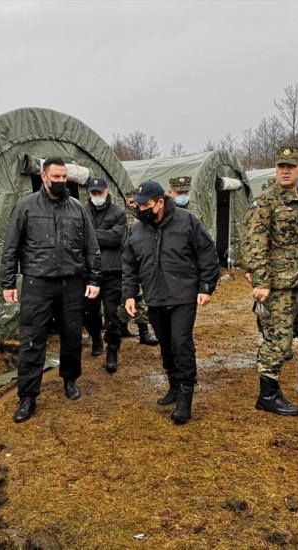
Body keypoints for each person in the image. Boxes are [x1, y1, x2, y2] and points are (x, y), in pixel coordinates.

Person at [1, 157, 100, 423]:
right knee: (32, 339)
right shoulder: (26, 207)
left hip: (71, 282)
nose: (60, 182)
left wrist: (94, 279)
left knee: (71, 335)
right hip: (37, 283)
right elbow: (11, 247)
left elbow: (91, 247)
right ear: (43, 177)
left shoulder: (77, 209)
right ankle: (28, 397)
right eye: (55, 177)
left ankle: (70, 379)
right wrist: (8, 282)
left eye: (63, 177)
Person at [243, 146, 298, 417]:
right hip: (278, 286)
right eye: (281, 166)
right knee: (278, 341)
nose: (285, 170)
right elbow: (254, 245)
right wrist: (260, 281)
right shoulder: (265, 202)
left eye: (290, 166)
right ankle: (268, 394)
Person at [122, 180, 220, 425]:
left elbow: (207, 254)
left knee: (181, 342)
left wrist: (206, 286)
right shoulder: (137, 229)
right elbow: (129, 265)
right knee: (166, 345)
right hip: (155, 296)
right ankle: (174, 386)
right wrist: (130, 294)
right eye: (138, 204)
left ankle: (186, 394)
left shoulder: (187, 221)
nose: (141, 208)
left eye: (146, 204)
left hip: (183, 295)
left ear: (160, 202)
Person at [82, 177, 126, 372]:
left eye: (100, 192)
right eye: (94, 193)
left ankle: (112, 351)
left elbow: (116, 238)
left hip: (112, 271)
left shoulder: (118, 212)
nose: (97, 196)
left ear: (107, 191)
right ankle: (97, 340)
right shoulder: (82, 211)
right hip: (89, 271)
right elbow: (77, 236)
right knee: (89, 312)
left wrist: (91, 235)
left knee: (112, 313)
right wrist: (102, 234)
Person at [116, 191, 158, 346]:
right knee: (130, 297)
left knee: (136, 297)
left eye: (135, 201)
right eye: (129, 200)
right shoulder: (122, 215)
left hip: (141, 262)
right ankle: (127, 327)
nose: (132, 203)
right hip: (125, 262)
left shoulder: (145, 216)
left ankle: (136, 329)